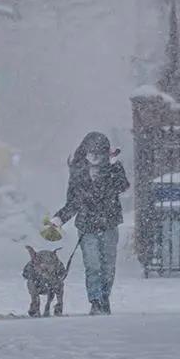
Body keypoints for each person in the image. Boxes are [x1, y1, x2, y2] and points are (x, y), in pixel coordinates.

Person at [49, 132, 130, 315]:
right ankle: (95, 301)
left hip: (109, 224)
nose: (94, 156)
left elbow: (123, 186)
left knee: (108, 266)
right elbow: (73, 202)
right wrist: (59, 219)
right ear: (84, 152)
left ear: (105, 154)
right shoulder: (78, 173)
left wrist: (112, 168)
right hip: (87, 227)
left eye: (99, 153)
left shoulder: (113, 169)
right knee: (93, 265)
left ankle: (104, 298)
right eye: (90, 152)